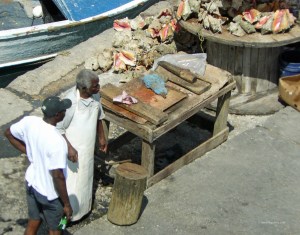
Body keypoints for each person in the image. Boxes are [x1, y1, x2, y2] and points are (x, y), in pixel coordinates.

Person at [4, 96, 73, 235]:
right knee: (58, 228)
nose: (65, 111)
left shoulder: (30, 121)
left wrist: (30, 153)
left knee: (34, 221)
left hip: (31, 184)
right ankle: (61, 222)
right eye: (63, 110)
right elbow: (57, 175)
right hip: (50, 194)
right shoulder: (57, 142)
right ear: (57, 115)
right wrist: (66, 204)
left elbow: (8, 133)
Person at [56, 69, 108, 221]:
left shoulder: (95, 96)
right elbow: (58, 128)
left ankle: (83, 210)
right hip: (73, 152)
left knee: (86, 178)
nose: (98, 88)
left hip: (88, 148)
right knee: (72, 183)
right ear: (83, 88)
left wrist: (102, 137)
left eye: (98, 85)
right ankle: (69, 216)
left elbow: (99, 116)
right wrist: (69, 148)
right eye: (95, 86)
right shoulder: (70, 103)